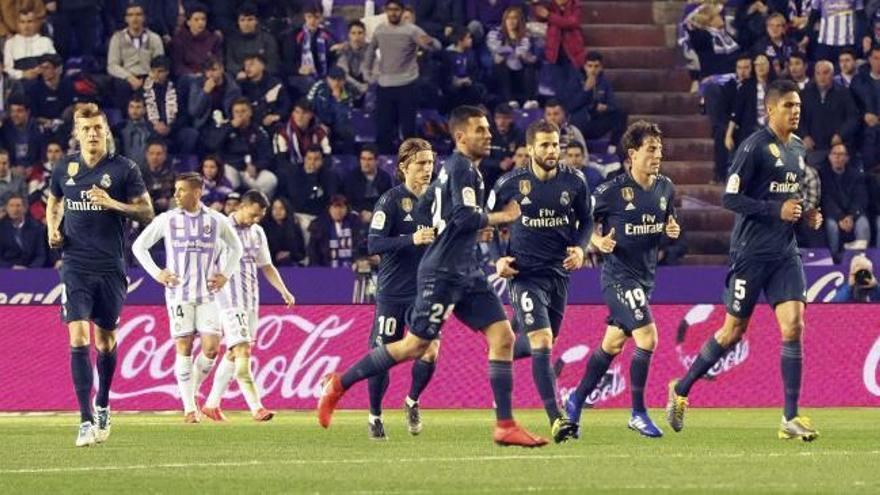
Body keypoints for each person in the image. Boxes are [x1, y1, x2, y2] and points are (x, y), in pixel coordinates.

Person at [317, 105, 547, 447]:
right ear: (460, 136)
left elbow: (433, 213)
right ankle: (340, 384)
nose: (488, 135)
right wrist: (502, 216)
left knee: (503, 337)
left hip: (467, 270)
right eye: (480, 130)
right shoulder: (460, 169)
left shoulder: (452, 173)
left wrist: (446, 230)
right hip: (442, 272)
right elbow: (468, 218)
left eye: (488, 129)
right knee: (415, 345)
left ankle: (505, 424)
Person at [666, 80, 824, 441]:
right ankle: (682, 388)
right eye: (788, 105)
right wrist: (776, 209)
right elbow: (730, 198)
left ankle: (790, 417)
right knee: (732, 332)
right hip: (750, 253)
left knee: (794, 325)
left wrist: (805, 215)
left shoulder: (798, 149)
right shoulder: (753, 147)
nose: (795, 111)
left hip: (784, 252)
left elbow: (789, 199)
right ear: (770, 110)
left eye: (797, 105)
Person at [45, 103, 154, 446]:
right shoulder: (65, 167)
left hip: (110, 268)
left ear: (106, 130)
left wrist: (113, 204)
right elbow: (54, 200)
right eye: (85, 128)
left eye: (97, 128)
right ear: (77, 133)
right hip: (75, 264)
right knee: (77, 338)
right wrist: (52, 228)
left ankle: (103, 402)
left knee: (104, 341)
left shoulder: (124, 169)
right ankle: (84, 420)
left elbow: (147, 212)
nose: (92, 133)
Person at [564, 121, 680, 439]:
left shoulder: (665, 188)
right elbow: (580, 225)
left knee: (612, 344)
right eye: (651, 149)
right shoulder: (610, 191)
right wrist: (597, 242)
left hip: (645, 279)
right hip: (618, 278)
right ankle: (638, 413)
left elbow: (667, 222)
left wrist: (672, 230)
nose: (658, 154)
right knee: (648, 338)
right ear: (632, 154)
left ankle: (574, 400)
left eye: (660, 149)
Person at [489, 119, 592, 443]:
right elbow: (487, 220)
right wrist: (497, 257)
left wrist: (580, 247)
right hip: (524, 275)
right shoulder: (509, 183)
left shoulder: (574, 181)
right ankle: (557, 419)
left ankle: (501, 350)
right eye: (545, 145)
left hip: (558, 274)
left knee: (542, 344)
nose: (552, 151)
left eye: (555, 145)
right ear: (530, 148)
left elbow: (587, 220)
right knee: (543, 341)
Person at [131, 172, 243, 423]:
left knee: (212, 349)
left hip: (207, 295)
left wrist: (225, 274)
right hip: (178, 294)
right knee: (184, 347)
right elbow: (139, 246)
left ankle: (190, 391)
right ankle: (189, 408)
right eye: (176, 189)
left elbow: (237, 247)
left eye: (181, 190)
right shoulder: (167, 220)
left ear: (197, 192)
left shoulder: (216, 220)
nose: (176, 195)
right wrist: (157, 273)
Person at [362, 138, 439, 439]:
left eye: (430, 163)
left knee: (430, 350)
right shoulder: (391, 201)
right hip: (393, 292)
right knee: (383, 356)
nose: (427, 169)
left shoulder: (439, 200)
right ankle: (375, 416)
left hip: (425, 292)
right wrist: (412, 240)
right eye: (421, 163)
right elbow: (374, 244)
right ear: (404, 166)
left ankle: (412, 400)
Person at [201, 189, 295, 422]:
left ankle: (211, 404)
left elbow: (266, 266)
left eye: (259, 216)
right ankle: (257, 407)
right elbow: (203, 261)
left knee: (234, 353)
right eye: (253, 214)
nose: (256, 220)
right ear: (240, 207)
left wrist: (283, 290)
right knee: (243, 351)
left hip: (251, 301)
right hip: (228, 301)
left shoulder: (258, 232)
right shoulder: (221, 229)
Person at [364, 0, 441, 154]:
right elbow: (370, 52)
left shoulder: (412, 30)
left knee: (408, 130)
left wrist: (431, 41)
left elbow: (434, 47)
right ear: (386, 10)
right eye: (390, 9)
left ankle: (409, 166)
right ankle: (384, 163)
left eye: (396, 9)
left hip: (407, 85)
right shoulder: (380, 30)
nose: (393, 12)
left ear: (401, 11)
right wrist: (367, 73)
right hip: (385, 86)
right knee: (384, 130)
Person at [106, 3, 164, 109]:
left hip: (148, 75)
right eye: (131, 15)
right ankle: (123, 121)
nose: (135, 18)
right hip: (126, 76)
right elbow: (112, 65)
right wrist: (129, 77)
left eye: (138, 14)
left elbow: (160, 62)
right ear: (126, 19)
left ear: (144, 17)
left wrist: (152, 75)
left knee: (157, 83)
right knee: (120, 86)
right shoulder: (117, 38)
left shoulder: (154, 38)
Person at [820, 143, 870, 256]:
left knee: (863, 225)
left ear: (847, 158)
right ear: (829, 157)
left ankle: (860, 257)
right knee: (831, 226)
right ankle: (833, 259)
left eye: (841, 154)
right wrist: (840, 217)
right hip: (834, 214)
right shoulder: (823, 175)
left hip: (853, 214)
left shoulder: (856, 175)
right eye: (835, 154)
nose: (838, 157)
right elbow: (826, 200)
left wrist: (851, 216)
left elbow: (861, 198)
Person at [306, 195, 366, 268]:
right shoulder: (318, 224)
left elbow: (361, 245)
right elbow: (313, 252)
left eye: (341, 207)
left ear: (347, 209)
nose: (338, 211)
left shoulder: (355, 222)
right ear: (329, 209)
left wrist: (358, 261)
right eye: (335, 207)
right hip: (325, 268)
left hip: (352, 267)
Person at [169, 4, 222, 79]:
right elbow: (177, 66)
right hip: (188, 77)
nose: (200, 23)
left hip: (210, 76)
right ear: (188, 22)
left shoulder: (213, 39)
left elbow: (217, 61)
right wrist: (193, 74)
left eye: (203, 19)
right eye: (196, 19)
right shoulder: (179, 40)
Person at [3, 9, 56, 80]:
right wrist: (23, 74)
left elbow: (55, 65)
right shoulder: (10, 43)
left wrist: (41, 70)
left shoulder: (45, 41)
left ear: (36, 23)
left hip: (42, 81)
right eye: (22, 22)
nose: (26, 26)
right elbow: (7, 69)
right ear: (17, 24)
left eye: (29, 21)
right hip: (20, 83)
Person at [0, 192, 46, 268]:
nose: (15, 209)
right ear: (7, 209)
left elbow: (40, 255)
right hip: (7, 271)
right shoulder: (1, 228)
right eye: (11, 206)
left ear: (25, 208)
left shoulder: (36, 227)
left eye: (18, 206)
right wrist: (11, 267)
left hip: (31, 270)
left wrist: (29, 270)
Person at [262, 197, 306, 266]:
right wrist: (275, 256)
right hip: (270, 265)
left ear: (287, 210)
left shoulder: (294, 226)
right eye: (274, 208)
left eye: (281, 208)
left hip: (291, 263)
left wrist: (289, 254)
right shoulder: (264, 227)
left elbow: (302, 253)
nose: (277, 211)